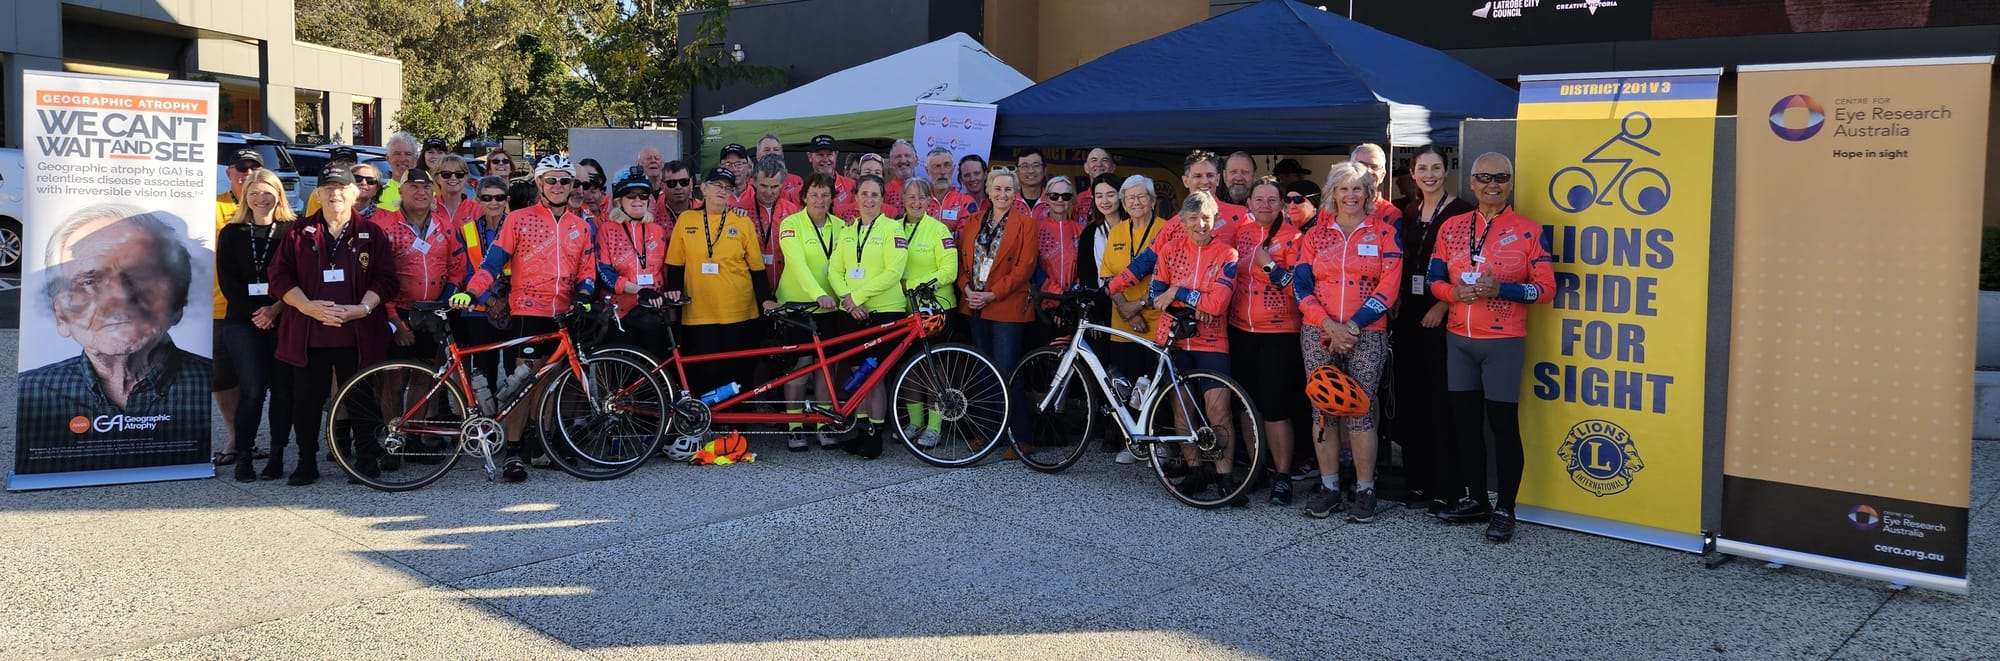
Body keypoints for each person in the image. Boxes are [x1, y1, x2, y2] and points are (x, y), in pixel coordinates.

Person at [20, 205, 212, 462]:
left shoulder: (208, 382)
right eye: (89, 282)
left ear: (178, 301)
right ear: (60, 314)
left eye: (142, 275)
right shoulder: (33, 391)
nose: (120, 297)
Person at [1428, 152, 1554, 543]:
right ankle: (1478, 500)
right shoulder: (1451, 227)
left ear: (1511, 183)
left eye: (1501, 177)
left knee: (1502, 427)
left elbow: (1546, 289)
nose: (1492, 184)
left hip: (1503, 343)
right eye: (1484, 177)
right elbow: (1434, 280)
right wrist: (1454, 293)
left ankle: (1506, 510)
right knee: (1466, 427)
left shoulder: (1529, 230)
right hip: (1458, 341)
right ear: (1472, 182)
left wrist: (1503, 289)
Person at [454, 156, 601, 481]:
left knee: (550, 382)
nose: (559, 186)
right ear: (539, 184)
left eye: (565, 180)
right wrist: (473, 291)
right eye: (552, 180)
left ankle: (540, 444)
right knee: (523, 382)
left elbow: (587, 272)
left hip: (562, 313)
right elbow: (492, 263)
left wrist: (584, 295)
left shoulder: (581, 226)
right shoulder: (519, 219)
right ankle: (513, 450)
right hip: (527, 311)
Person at [1106, 191, 1242, 505]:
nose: (1200, 224)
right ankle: (1194, 471)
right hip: (1173, 339)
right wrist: (1195, 301)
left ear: (1214, 220)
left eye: (1206, 218)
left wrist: (1178, 291)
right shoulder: (1169, 249)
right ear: (1182, 222)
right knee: (1183, 408)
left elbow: (1217, 305)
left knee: (1218, 409)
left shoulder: (1228, 254)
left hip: (1212, 341)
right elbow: (1157, 296)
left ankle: (1224, 477)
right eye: (1193, 218)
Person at [269, 166, 398, 485]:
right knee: (307, 401)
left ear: (354, 194)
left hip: (356, 332)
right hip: (309, 333)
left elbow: (387, 279)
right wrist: (307, 306)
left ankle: (365, 459)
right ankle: (306, 461)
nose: (334, 194)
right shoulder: (298, 232)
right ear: (318, 194)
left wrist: (362, 309)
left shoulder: (371, 233)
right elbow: (279, 277)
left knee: (361, 397)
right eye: (327, 188)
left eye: (341, 188)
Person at [1291, 162, 1403, 524]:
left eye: (1358, 189)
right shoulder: (1315, 236)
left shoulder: (1386, 234)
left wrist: (1351, 326)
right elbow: (1301, 286)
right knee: (1323, 408)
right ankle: (1329, 488)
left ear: (1369, 194)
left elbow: (1389, 287)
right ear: (1333, 193)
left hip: (1366, 332)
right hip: (1318, 330)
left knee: (1360, 409)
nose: (1350, 195)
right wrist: (1328, 325)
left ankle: (1365, 489)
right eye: (1344, 189)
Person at [1395, 146, 1477, 514]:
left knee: (1440, 401)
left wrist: (1443, 305)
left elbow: (1469, 267)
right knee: (1412, 399)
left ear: (1446, 171)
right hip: (1409, 315)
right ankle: (1417, 483)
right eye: (1422, 168)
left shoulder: (1461, 212)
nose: (1429, 174)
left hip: (1443, 313)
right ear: (1412, 173)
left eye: (1436, 168)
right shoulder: (1410, 211)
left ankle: (1446, 487)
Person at [663, 167, 778, 404]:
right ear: (703, 189)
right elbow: (675, 264)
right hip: (699, 312)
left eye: (728, 188)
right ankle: (707, 419)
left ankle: (737, 420)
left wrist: (766, 299)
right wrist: (673, 291)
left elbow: (756, 269)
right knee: (705, 372)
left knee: (738, 374)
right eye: (717, 185)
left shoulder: (742, 222)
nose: (722, 191)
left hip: (740, 312)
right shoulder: (687, 220)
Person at [1227, 178, 1306, 505]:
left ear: (1282, 204)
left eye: (1272, 200)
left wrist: (1270, 267)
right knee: (1248, 405)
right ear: (1248, 204)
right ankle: (1256, 468)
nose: (1265, 205)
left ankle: (1283, 476)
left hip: (1279, 332)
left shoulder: (1295, 238)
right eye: (1258, 199)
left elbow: (1301, 291)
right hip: (1240, 329)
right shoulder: (1240, 234)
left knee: (1275, 408)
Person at [215, 169, 296, 482]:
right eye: (254, 193)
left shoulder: (292, 230)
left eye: (267, 192)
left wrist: (274, 309)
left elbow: (299, 277)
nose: (261, 198)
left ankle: (277, 455)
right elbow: (228, 282)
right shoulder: (231, 233)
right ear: (245, 197)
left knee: (283, 391)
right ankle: (244, 455)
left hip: (284, 317)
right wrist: (259, 314)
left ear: (279, 195)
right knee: (252, 391)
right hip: (242, 321)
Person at [828, 175, 909, 458]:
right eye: (864, 193)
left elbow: (893, 272)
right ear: (856, 197)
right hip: (851, 312)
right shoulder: (848, 231)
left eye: (875, 194)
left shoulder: (892, 228)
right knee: (857, 374)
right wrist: (848, 300)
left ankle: (875, 435)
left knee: (874, 375)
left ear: (883, 198)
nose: (869, 199)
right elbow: (834, 271)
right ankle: (861, 430)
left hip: (884, 310)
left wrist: (858, 297)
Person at [958, 166, 1036, 451]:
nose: (1003, 194)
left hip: (1007, 305)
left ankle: (1019, 437)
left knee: (1007, 371)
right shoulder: (973, 221)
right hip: (975, 305)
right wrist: (967, 289)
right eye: (998, 188)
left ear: (1015, 193)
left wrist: (992, 294)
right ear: (989, 191)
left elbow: (1024, 268)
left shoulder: (1026, 224)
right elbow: (962, 261)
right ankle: (986, 432)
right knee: (982, 370)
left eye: (1008, 189)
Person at [775, 173, 849, 452]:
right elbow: (797, 265)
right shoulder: (790, 224)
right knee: (800, 367)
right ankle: (795, 427)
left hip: (830, 308)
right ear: (804, 197)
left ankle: (823, 423)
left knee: (826, 368)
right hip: (799, 307)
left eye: (825, 195)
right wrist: (817, 294)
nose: (820, 200)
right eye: (814, 194)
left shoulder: (841, 227)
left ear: (832, 198)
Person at [1098, 174, 1166, 464]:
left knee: (1155, 386)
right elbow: (1107, 277)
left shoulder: (1165, 229)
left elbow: (1172, 277)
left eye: (1141, 197)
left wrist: (1136, 307)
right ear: (1123, 204)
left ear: (1152, 200)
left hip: (1156, 322)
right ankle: (1135, 442)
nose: (1136, 202)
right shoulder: (1117, 232)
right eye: (1130, 198)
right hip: (1123, 323)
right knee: (1127, 383)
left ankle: (1160, 444)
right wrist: (1126, 310)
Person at [894, 176, 960, 449]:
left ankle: (934, 426)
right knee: (909, 368)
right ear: (903, 199)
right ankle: (915, 422)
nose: (916, 202)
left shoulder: (938, 230)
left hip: (936, 308)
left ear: (929, 201)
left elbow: (950, 271)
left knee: (935, 369)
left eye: (922, 197)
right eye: (911, 196)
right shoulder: (893, 227)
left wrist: (915, 285)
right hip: (903, 309)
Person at [379, 168, 464, 365]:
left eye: (426, 187)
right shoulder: (385, 227)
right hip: (399, 311)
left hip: (434, 311)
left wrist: (443, 304)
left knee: (428, 373)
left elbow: (457, 268)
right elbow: (378, 278)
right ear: (401, 191)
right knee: (395, 375)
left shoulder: (445, 226)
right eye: (414, 187)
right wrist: (394, 320)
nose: (421, 192)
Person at [211, 148, 259, 467]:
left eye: (254, 168)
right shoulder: (212, 207)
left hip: (264, 309)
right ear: (229, 173)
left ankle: (250, 438)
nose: (248, 173)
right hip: (220, 307)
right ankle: (235, 438)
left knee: (257, 379)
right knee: (224, 377)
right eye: (241, 168)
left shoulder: (269, 204)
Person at [597, 167, 671, 361]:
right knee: (624, 373)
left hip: (653, 311)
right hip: (619, 313)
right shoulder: (607, 229)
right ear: (618, 200)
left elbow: (666, 271)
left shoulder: (657, 230)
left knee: (655, 370)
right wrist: (639, 290)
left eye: (643, 195)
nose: (638, 200)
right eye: (631, 195)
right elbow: (604, 272)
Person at [453, 175, 514, 386]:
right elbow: (467, 272)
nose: (493, 202)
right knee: (484, 369)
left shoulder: (518, 226)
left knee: (515, 369)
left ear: (507, 200)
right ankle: (487, 408)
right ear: (478, 201)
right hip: (479, 307)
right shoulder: (468, 231)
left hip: (512, 306)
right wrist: (490, 300)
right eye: (487, 198)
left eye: (499, 197)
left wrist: (505, 301)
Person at [1030, 175, 1083, 348]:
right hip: (1042, 305)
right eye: (1054, 196)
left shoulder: (1080, 230)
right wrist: (1057, 296)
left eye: (1065, 196)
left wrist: (1069, 299)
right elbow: (1033, 268)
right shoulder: (1035, 228)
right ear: (1046, 199)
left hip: (1070, 307)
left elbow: (1084, 269)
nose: (1060, 200)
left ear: (1072, 200)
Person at [744, 155, 802, 291]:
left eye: (774, 187)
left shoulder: (792, 210)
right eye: (764, 186)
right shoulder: (741, 211)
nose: (769, 192)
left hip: (785, 287)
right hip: (751, 288)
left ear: (782, 184)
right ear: (754, 182)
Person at [923, 147, 975, 233]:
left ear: (953, 169)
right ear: (927, 170)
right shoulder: (919, 199)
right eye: (936, 166)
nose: (942, 172)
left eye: (947, 165)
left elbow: (965, 235)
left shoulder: (965, 202)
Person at [1348, 143, 1403, 223]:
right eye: (1362, 165)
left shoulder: (1390, 214)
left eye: (1374, 167)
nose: (1368, 171)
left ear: (1382, 176)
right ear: (1349, 170)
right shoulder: (1333, 209)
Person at [807, 134, 857, 219]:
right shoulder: (802, 191)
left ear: (836, 155)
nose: (825, 159)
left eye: (829, 154)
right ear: (810, 156)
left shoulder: (852, 186)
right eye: (820, 155)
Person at [431, 154, 481, 238]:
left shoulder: (475, 210)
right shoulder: (428, 208)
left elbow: (473, 243)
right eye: (446, 174)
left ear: (466, 177)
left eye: (459, 174)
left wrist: (469, 230)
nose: (453, 178)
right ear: (437, 178)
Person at [304, 146, 362, 217]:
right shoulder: (319, 193)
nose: (345, 164)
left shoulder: (365, 187)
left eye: (349, 161)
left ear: (356, 164)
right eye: (340, 161)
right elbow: (311, 220)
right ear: (331, 163)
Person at [753, 133, 805, 205]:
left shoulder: (796, 180)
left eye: (776, 149)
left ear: (782, 154)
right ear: (757, 155)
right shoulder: (751, 183)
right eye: (767, 150)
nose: (772, 153)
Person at [376, 132, 419, 211]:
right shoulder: (377, 194)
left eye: (408, 154)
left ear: (416, 158)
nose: (402, 159)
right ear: (388, 158)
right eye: (397, 154)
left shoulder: (428, 194)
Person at [1076, 148, 1116, 222]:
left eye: (1104, 160)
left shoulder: (1120, 197)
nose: (1099, 164)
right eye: (1094, 160)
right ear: (1086, 168)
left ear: (1113, 167)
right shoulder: (1078, 200)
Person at [885, 139, 919, 205]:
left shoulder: (926, 189)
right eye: (898, 156)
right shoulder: (884, 192)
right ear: (890, 163)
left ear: (916, 160)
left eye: (907, 155)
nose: (903, 160)